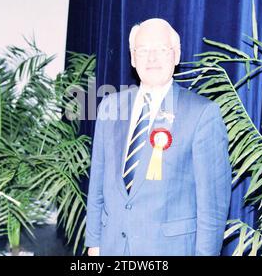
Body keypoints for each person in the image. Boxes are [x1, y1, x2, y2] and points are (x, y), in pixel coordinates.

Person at [85, 18, 231, 256]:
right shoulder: (110, 107)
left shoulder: (202, 114)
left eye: (161, 50)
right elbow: (98, 184)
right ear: (132, 58)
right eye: (142, 50)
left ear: (176, 56)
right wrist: (94, 243)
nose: (151, 58)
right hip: (111, 247)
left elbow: (212, 209)